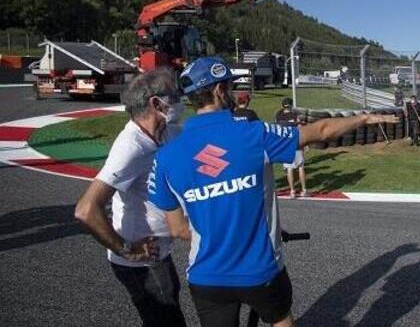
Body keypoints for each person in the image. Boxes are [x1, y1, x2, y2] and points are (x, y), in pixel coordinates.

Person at [147, 57, 396, 327]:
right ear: (219, 90)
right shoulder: (255, 133)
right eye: (229, 86)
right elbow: (321, 130)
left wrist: (217, 235)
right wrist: (365, 117)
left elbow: (176, 228)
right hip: (260, 270)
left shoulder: (165, 156)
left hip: (206, 276)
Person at [74, 69, 187, 327]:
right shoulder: (130, 147)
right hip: (141, 263)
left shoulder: (166, 132)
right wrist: (129, 250)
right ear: (156, 103)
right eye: (175, 96)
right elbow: (86, 209)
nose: (181, 102)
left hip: (160, 252)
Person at [275, 98, 307, 198]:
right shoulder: (295, 115)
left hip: (285, 144)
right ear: (291, 105)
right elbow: (300, 129)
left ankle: (292, 191)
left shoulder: (279, 116)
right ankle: (304, 190)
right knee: (301, 167)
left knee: (289, 168)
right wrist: (305, 144)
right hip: (296, 143)